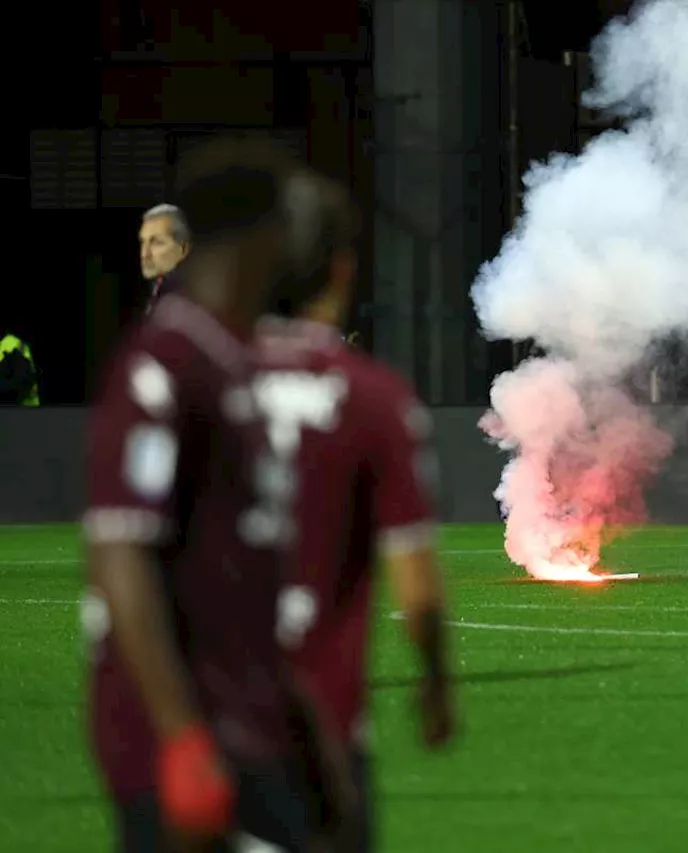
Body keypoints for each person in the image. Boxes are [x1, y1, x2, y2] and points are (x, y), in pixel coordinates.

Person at [81, 137, 352, 851]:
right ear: (257, 236)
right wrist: (180, 737)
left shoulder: (228, 357)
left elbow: (243, 569)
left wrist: (307, 728)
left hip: (254, 718)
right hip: (186, 734)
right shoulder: (164, 364)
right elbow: (120, 549)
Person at [254, 174, 456, 850]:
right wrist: (434, 683)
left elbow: (125, 557)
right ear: (343, 267)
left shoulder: (182, 377)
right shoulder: (374, 398)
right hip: (324, 731)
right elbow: (417, 583)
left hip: (199, 723)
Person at [139, 203, 191, 313]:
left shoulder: (189, 301)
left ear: (183, 249)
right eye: (143, 242)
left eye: (157, 242)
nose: (144, 254)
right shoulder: (155, 289)